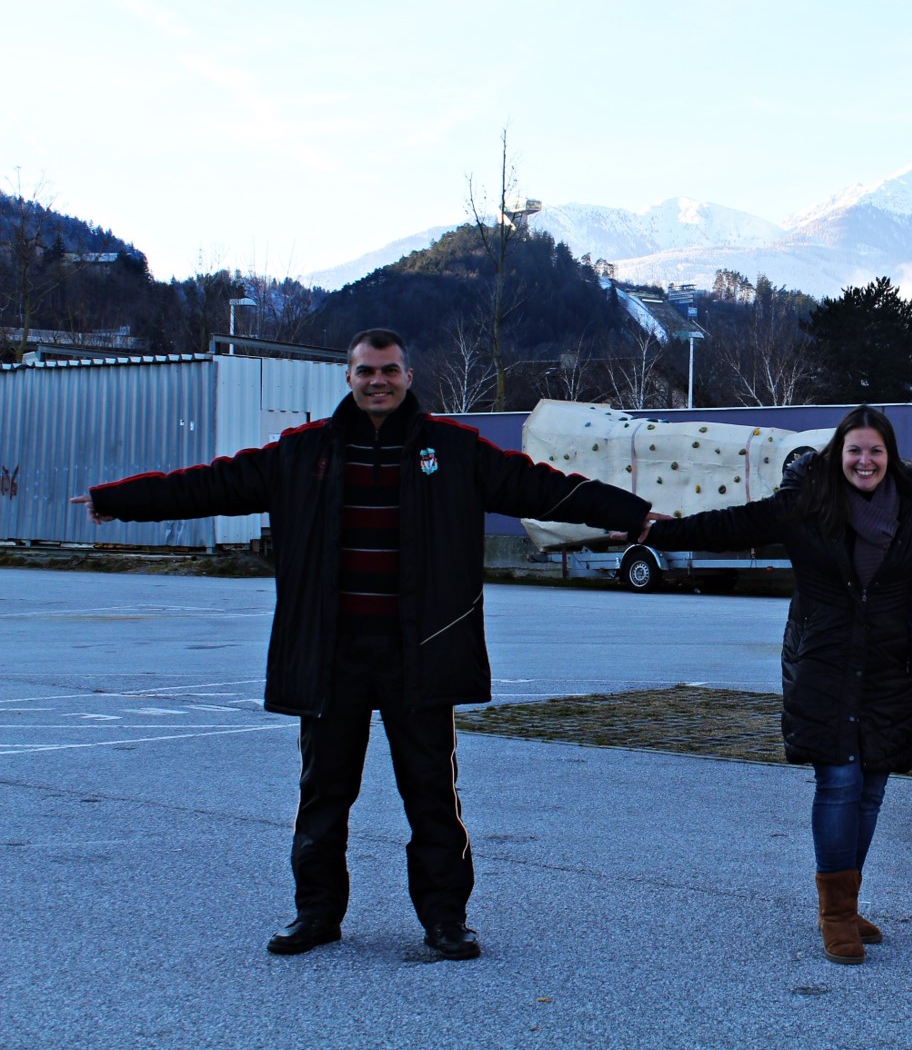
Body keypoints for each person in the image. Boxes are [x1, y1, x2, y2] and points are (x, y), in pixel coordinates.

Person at [71, 328, 654, 961]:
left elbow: (544, 487)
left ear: (408, 376)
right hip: (330, 657)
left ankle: (445, 920)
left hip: (420, 654)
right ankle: (315, 915)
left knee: (431, 793)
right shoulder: (300, 454)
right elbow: (206, 484)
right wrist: (116, 500)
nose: (378, 381)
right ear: (348, 377)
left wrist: (632, 513)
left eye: (390, 371)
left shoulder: (456, 452)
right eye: (366, 371)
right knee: (324, 792)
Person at [641, 405, 912, 964]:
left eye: (875, 451)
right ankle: (835, 916)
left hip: (884, 664)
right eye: (855, 450)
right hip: (823, 662)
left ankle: (846, 904)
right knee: (840, 781)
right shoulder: (806, 505)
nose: (865, 460)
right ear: (838, 455)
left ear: (889, 457)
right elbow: (730, 524)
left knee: (872, 787)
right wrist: (658, 529)